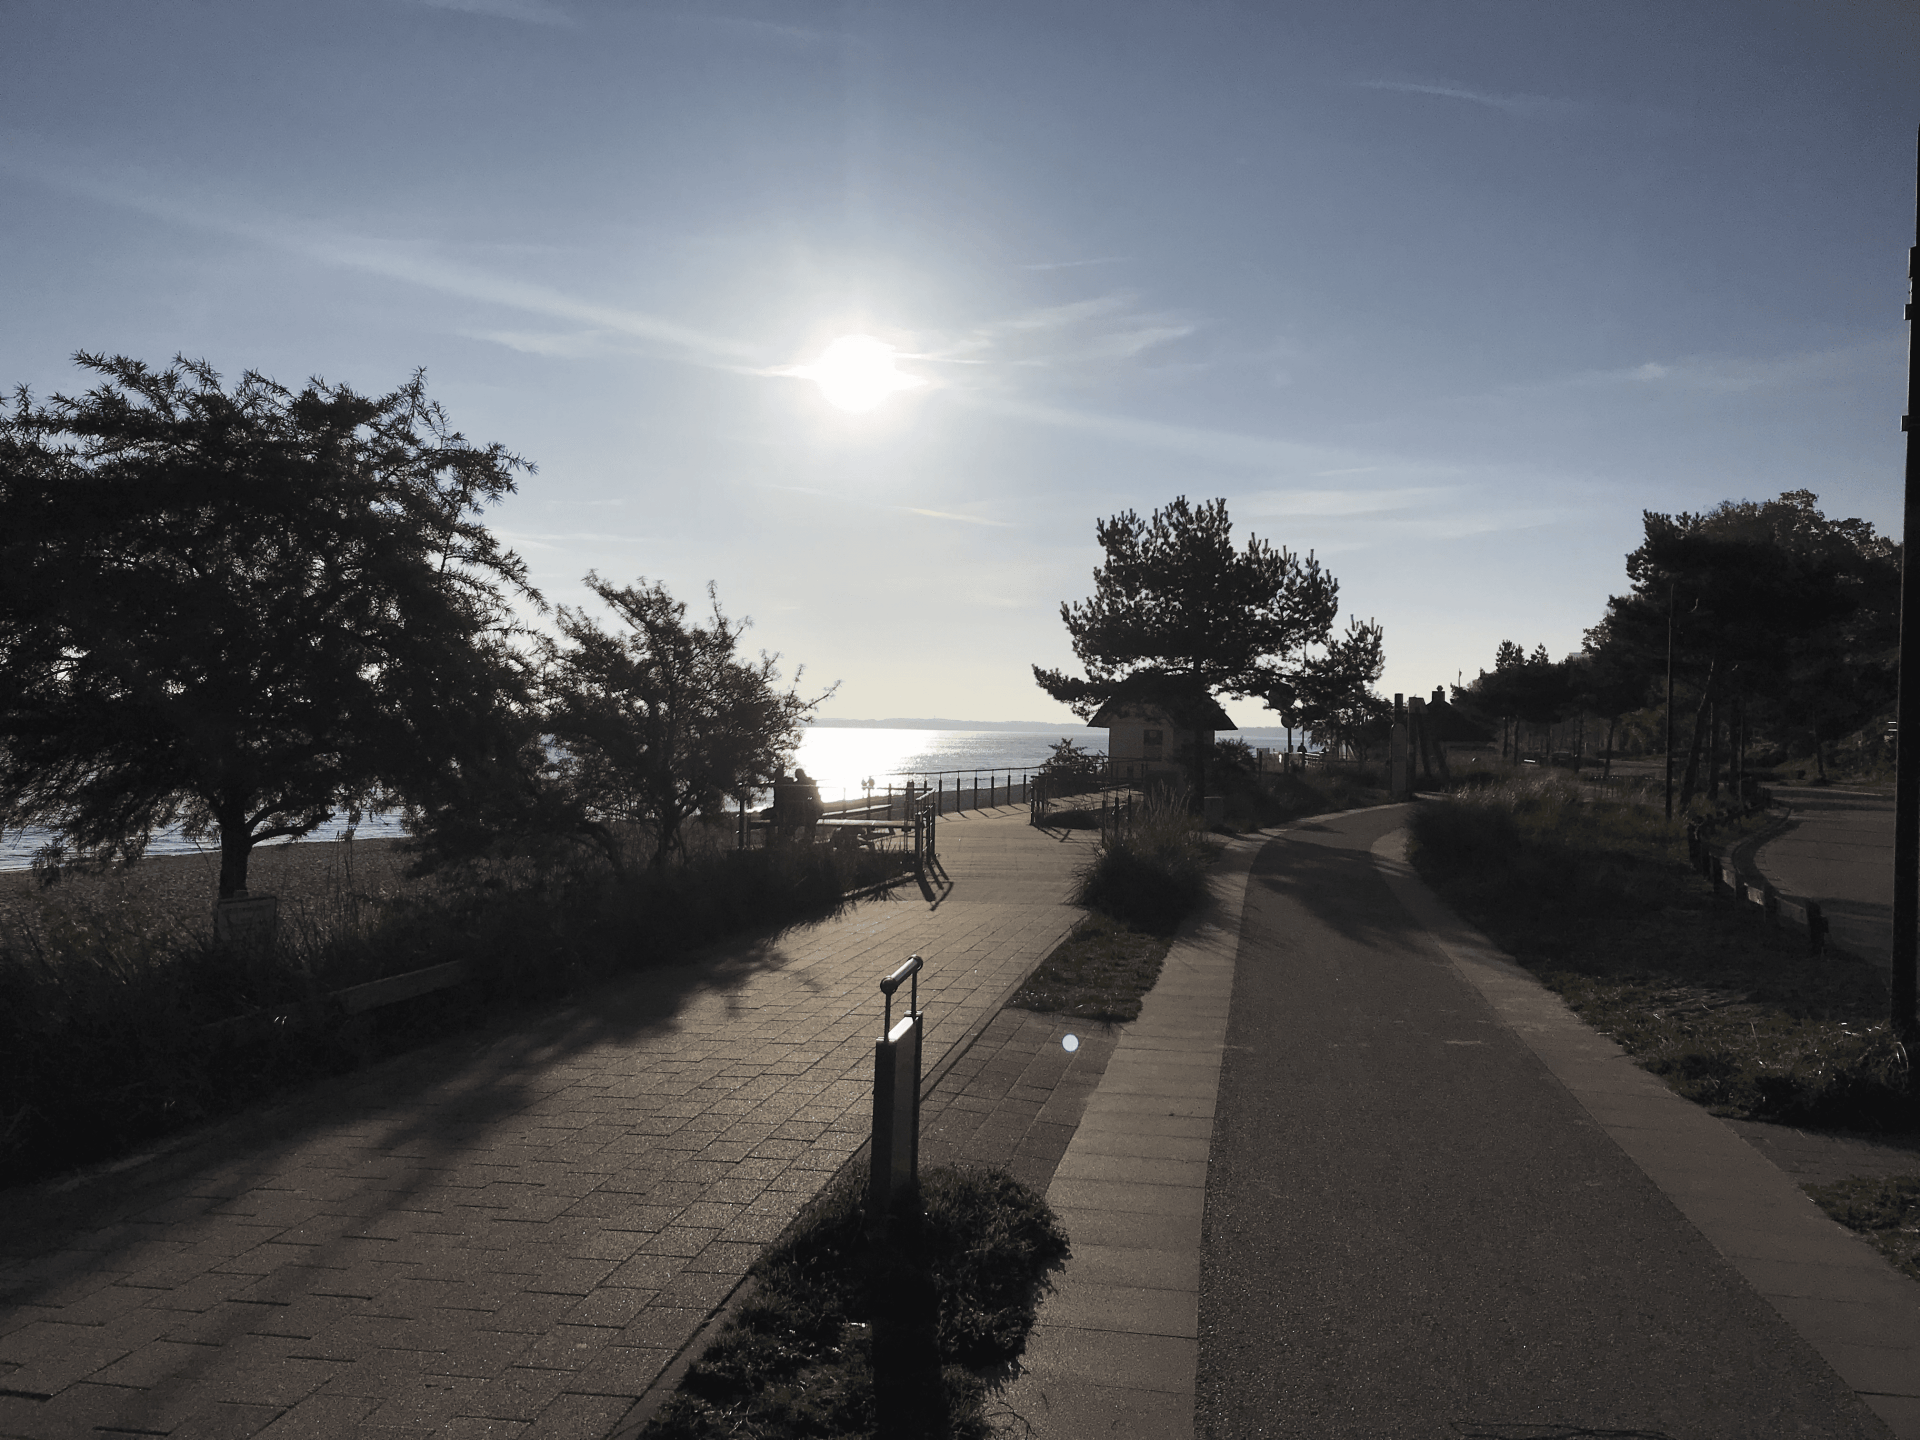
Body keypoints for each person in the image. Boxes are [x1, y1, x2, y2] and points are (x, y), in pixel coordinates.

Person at [792, 767, 825, 842]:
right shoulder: (809, 782)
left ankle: (806, 838)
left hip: (809, 808)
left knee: (808, 817)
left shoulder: (800, 784)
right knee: (810, 819)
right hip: (813, 808)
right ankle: (809, 838)